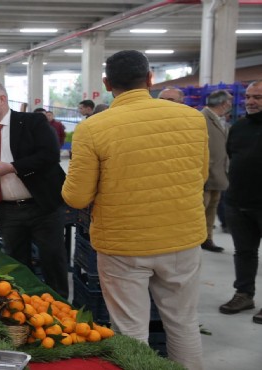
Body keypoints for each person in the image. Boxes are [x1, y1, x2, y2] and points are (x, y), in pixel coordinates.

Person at [62, 50, 207, 370]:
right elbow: (201, 176)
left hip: (123, 245)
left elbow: (75, 197)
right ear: (150, 78)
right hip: (182, 238)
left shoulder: (93, 127)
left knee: (130, 330)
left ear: (107, 83)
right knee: (183, 323)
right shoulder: (192, 118)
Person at [0, 81, 68, 298]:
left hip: (43, 207)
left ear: (2, 99)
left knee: (52, 259)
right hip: (7, 211)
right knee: (16, 264)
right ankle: (25, 307)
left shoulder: (32, 122)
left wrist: (11, 168)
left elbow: (49, 155)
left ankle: (61, 306)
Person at [219, 80, 262, 325]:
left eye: (258, 97)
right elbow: (232, 157)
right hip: (238, 202)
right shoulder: (239, 127)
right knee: (244, 253)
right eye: (248, 97)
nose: (251, 102)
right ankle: (244, 294)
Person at [200, 90, 232, 253]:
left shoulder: (221, 120)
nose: (231, 105)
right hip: (205, 173)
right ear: (224, 103)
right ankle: (194, 240)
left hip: (218, 173)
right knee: (200, 209)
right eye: (229, 102)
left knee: (212, 208)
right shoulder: (202, 118)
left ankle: (207, 238)